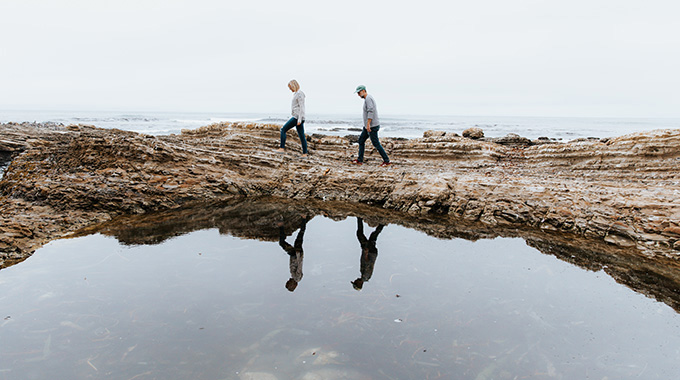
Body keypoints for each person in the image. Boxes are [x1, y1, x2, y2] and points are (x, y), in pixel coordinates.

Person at [352, 85, 390, 166]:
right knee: (361, 140)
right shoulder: (367, 99)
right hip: (367, 126)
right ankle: (360, 160)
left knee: (376, 144)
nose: (358, 95)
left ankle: (386, 161)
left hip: (371, 126)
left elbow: (370, 111)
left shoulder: (368, 98)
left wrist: (368, 124)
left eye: (359, 92)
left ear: (363, 91)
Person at [351, 217, 385, 290]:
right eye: (355, 282)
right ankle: (359, 218)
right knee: (361, 234)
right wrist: (366, 253)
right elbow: (368, 263)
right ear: (359, 284)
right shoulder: (365, 276)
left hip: (370, 252)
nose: (355, 280)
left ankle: (383, 223)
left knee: (372, 236)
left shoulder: (365, 276)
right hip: (370, 252)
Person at [278, 79, 308, 156]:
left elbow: (302, 108)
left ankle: (281, 148)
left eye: (290, 87)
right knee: (301, 136)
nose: (290, 89)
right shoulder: (296, 94)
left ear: (294, 85)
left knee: (283, 129)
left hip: (297, 117)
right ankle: (305, 153)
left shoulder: (300, 94)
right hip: (297, 117)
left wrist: (299, 120)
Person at [279, 216, 308, 292]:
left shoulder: (295, 277)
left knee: (300, 235)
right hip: (295, 255)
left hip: (297, 254)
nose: (288, 280)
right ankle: (281, 225)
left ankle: (304, 218)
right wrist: (297, 254)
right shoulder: (297, 277)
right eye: (288, 282)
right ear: (292, 284)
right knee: (282, 243)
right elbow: (299, 265)